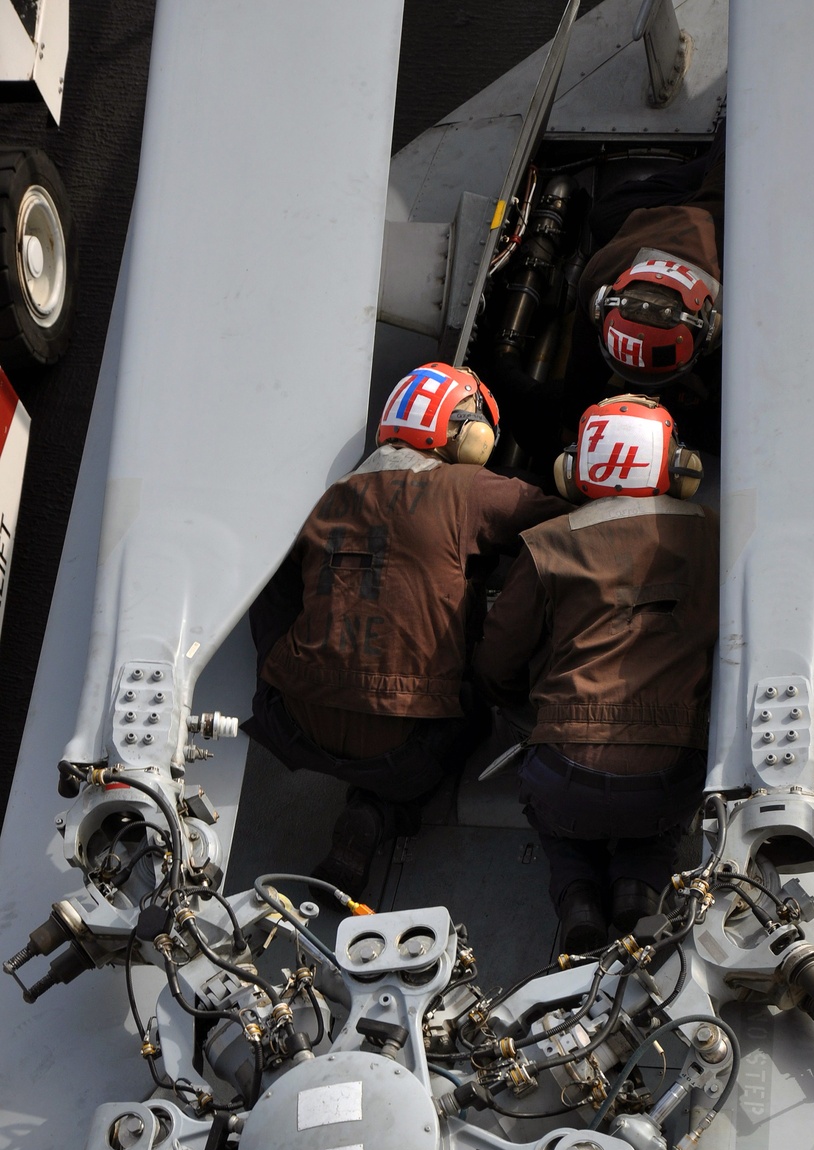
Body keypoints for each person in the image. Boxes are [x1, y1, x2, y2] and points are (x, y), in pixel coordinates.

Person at [244, 362, 565, 896]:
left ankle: (367, 803)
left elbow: (269, 593)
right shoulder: (469, 490)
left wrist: (280, 663)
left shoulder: (329, 493)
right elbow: (565, 528)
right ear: (467, 433)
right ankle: (379, 811)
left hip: (294, 723)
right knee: (472, 713)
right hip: (402, 745)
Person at [473, 394, 719, 954]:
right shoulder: (716, 537)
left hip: (567, 774)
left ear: (575, 468)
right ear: (677, 467)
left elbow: (497, 660)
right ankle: (638, 886)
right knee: (658, 826)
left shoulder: (546, 543)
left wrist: (519, 709)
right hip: (668, 777)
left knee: (559, 818)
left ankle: (578, 893)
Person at [487, 129, 724, 462]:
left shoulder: (752, 303)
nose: (647, 395)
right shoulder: (600, 273)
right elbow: (584, 368)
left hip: (733, 178)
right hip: (694, 200)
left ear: (712, 330)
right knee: (602, 216)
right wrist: (572, 425)